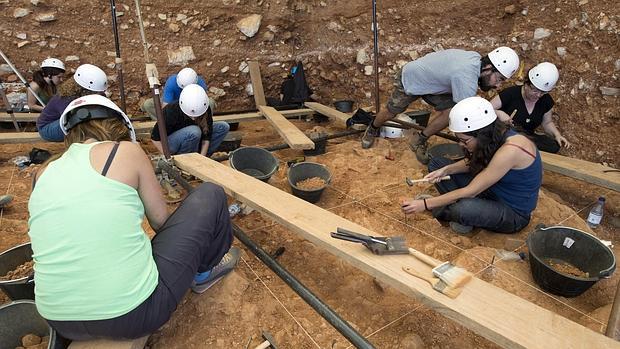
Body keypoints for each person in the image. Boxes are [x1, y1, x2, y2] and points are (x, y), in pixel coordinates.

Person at [28, 94, 240, 341]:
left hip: (58, 319)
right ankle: (203, 274)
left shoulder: (41, 173)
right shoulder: (125, 151)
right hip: (133, 315)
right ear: (119, 127)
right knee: (210, 194)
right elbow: (161, 222)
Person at [401, 96, 542, 234]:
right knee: (438, 164)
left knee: (463, 208)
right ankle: (455, 208)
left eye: (464, 140)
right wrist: (445, 170)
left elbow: (471, 191)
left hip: (512, 212)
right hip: (490, 190)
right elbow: (478, 162)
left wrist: (425, 204)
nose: (461, 144)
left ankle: (453, 211)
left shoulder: (511, 150)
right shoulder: (494, 135)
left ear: (481, 135)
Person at [361, 47, 520, 164]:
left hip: (434, 84)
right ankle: (373, 127)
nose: (498, 85)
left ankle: (419, 139)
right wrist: (497, 118)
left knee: (451, 111)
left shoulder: (476, 60)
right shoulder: (466, 76)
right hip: (412, 78)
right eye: (498, 79)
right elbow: (469, 113)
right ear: (487, 68)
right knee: (390, 111)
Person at [491, 62, 569, 153]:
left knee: (553, 146)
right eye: (535, 90)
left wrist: (557, 135)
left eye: (543, 92)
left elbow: (547, 123)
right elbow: (486, 108)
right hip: (507, 134)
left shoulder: (545, 100)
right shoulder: (510, 94)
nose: (538, 95)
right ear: (526, 83)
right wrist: (500, 113)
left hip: (526, 137)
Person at [151, 84, 229, 156]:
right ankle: (186, 159)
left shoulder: (204, 107)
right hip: (172, 143)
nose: (194, 118)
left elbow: (206, 139)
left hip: (193, 139)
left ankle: (199, 158)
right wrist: (168, 157)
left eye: (197, 115)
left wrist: (202, 158)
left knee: (223, 127)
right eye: (190, 115)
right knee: (194, 131)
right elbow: (155, 138)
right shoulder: (171, 111)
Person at [36, 64, 107, 142]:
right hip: (47, 128)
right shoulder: (65, 98)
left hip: (63, 121)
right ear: (85, 89)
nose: (97, 94)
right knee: (79, 120)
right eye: (95, 92)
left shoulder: (91, 92)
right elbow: (70, 119)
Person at [141, 67, 209, 120]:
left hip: (192, 107)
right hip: (174, 106)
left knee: (210, 103)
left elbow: (203, 103)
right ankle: (163, 126)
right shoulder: (172, 82)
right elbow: (166, 107)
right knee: (148, 104)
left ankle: (199, 124)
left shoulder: (200, 84)